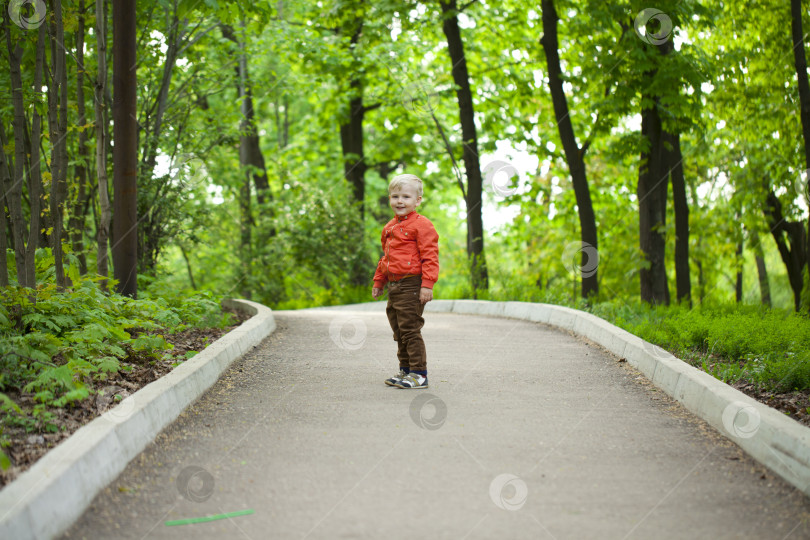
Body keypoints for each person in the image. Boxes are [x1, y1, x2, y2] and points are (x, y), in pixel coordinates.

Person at [372, 174, 439, 389]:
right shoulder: (389, 227)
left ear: (418, 200)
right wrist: (379, 281)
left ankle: (419, 373)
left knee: (410, 328)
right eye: (395, 196)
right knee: (399, 329)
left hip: (412, 283)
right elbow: (386, 258)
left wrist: (427, 284)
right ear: (389, 198)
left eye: (406, 197)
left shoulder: (422, 225)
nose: (400, 201)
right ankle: (406, 370)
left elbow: (430, 256)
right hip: (394, 285)